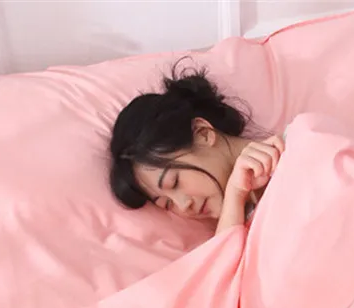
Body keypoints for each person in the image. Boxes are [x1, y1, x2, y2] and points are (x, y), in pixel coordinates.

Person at [109, 65, 285, 235]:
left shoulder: (293, 151)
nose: (184, 205)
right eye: (168, 204)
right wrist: (235, 195)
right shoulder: (237, 229)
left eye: (175, 182)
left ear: (203, 134)